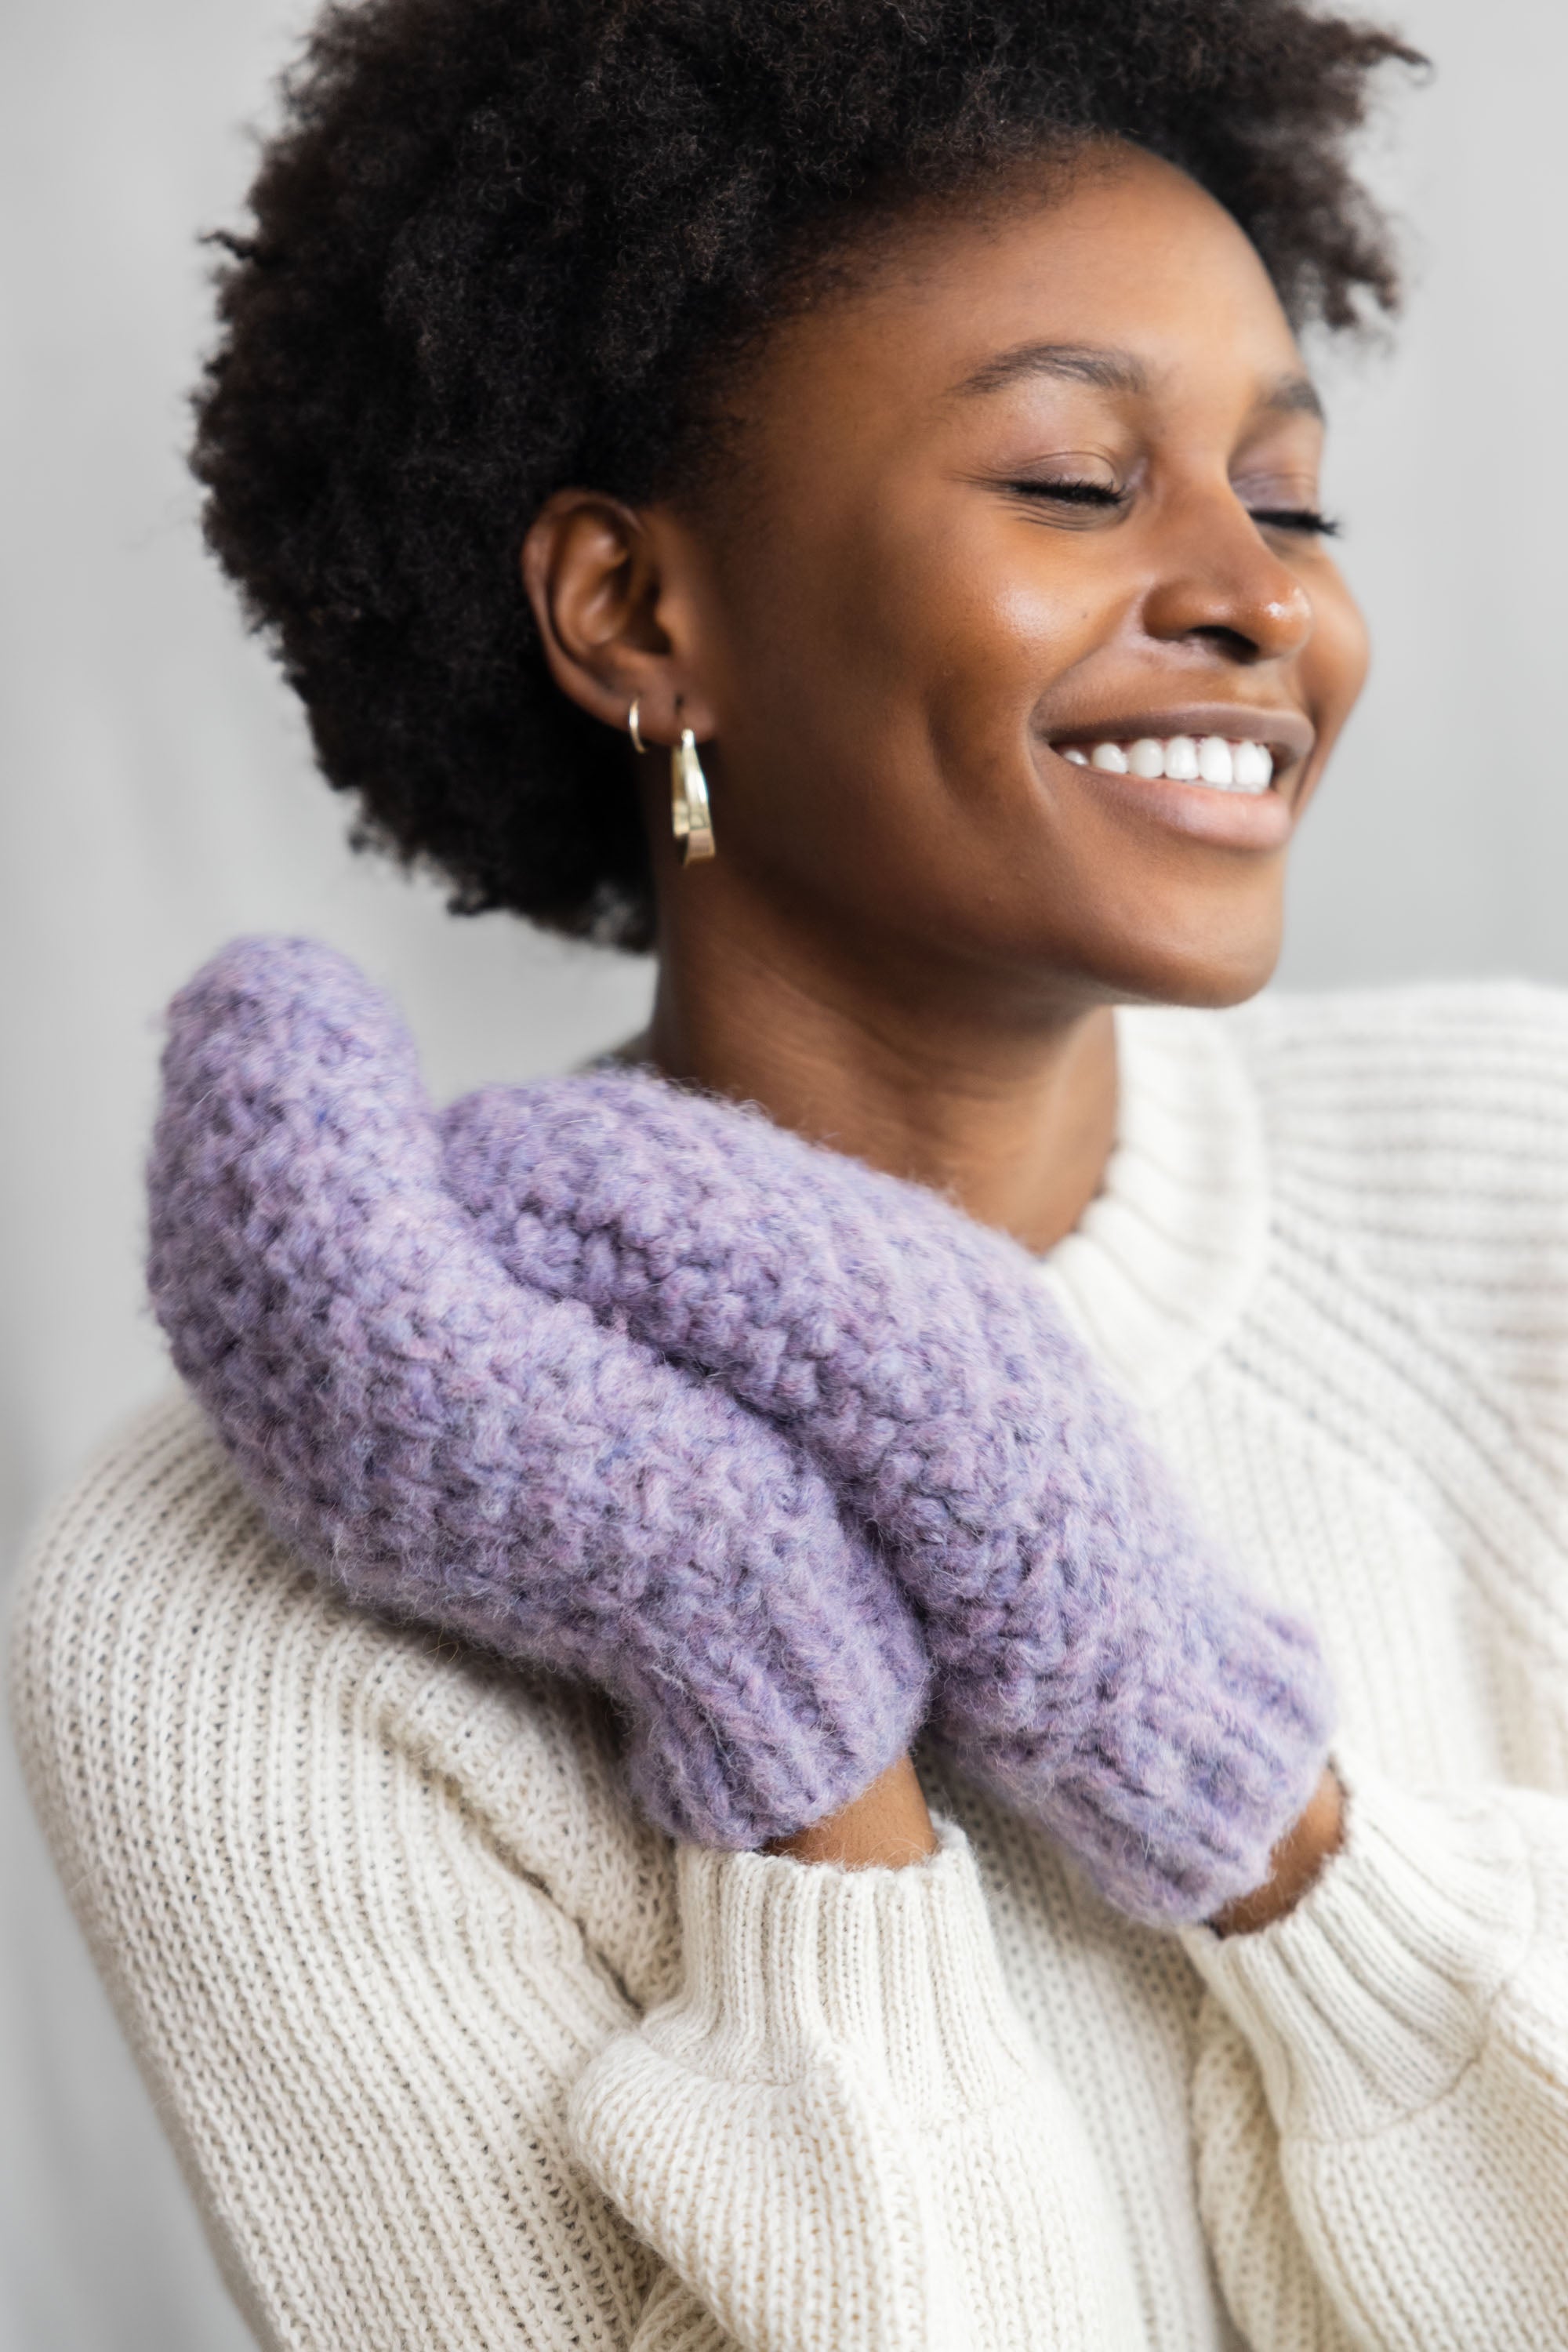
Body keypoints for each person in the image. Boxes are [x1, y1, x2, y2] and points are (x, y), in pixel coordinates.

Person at [14, 0, 1568, 2344]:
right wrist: (761, 1679)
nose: (1264, 596)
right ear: (638, 617)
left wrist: (1233, 1788)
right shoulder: (227, 1606)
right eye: (1073, 479)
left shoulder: (1533, 1183)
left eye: (1292, 493)